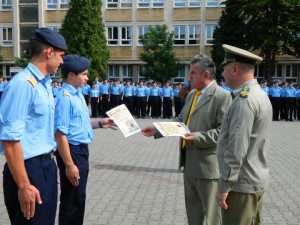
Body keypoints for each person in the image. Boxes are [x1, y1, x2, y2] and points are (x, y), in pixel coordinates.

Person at [142, 54, 231, 225]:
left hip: (208, 169)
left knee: (213, 217)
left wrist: (197, 137)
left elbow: (223, 132)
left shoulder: (222, 97)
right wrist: (158, 129)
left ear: (206, 75)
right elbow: (180, 121)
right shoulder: (192, 95)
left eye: (192, 73)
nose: (188, 77)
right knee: (194, 215)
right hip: (189, 165)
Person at [0, 27, 66, 225]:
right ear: (49, 52)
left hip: (44, 166)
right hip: (28, 171)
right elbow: (10, 139)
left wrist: (48, 170)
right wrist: (24, 185)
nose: (62, 62)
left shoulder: (44, 84)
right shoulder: (22, 84)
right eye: (61, 56)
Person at [54, 54, 115, 225]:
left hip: (80, 150)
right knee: (72, 201)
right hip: (72, 151)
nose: (87, 78)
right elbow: (60, 134)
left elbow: (80, 123)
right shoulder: (65, 98)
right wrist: (69, 165)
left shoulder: (77, 95)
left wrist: (102, 122)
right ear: (72, 75)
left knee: (78, 199)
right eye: (84, 74)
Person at [216, 44, 272, 225]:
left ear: (234, 69)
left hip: (240, 185)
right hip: (254, 179)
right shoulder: (258, 94)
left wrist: (225, 185)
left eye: (224, 69)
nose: (222, 74)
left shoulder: (244, 101)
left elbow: (236, 148)